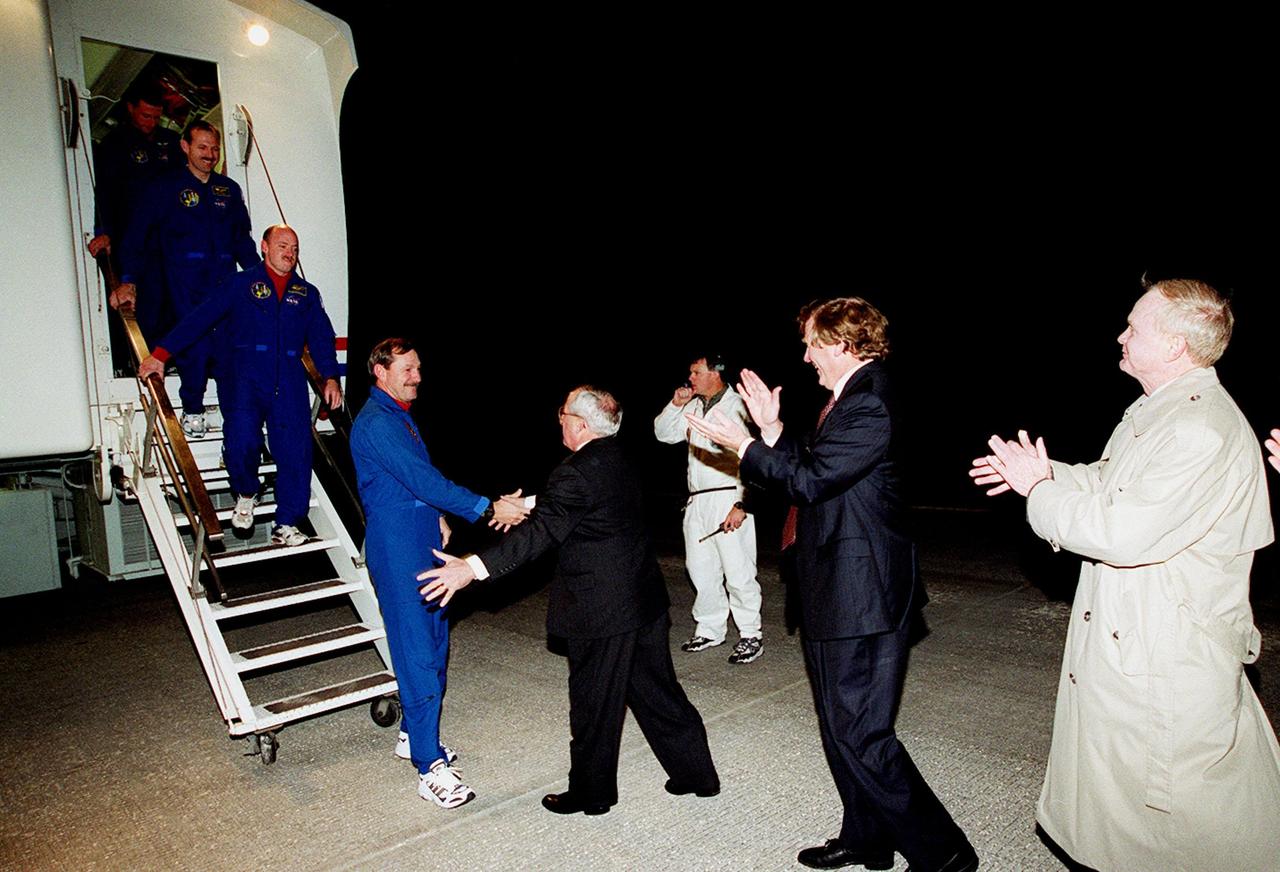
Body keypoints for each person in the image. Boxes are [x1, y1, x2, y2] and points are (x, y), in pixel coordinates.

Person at [971, 279, 1280, 872]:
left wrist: (1039, 491)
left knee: (1179, 818)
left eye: (1135, 326)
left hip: (1168, 659)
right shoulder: (1162, 412)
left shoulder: (1198, 429)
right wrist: (1045, 474)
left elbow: (1121, 532)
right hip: (1143, 643)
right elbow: (1111, 483)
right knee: (1140, 817)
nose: (1122, 334)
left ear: (1174, 348)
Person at [688, 298, 977, 872]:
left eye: (813, 344)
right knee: (841, 728)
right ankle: (867, 837)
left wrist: (743, 445)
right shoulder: (841, 400)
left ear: (844, 344)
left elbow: (813, 481)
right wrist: (771, 429)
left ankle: (943, 853)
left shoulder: (870, 400)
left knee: (864, 734)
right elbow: (814, 475)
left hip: (862, 595)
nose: (805, 355)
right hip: (832, 589)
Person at [419, 386, 720, 817]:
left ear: (578, 425)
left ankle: (592, 794)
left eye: (563, 413)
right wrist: (524, 503)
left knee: (594, 705)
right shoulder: (619, 456)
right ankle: (698, 776)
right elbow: (580, 498)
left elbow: (539, 535)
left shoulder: (575, 473)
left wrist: (470, 567)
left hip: (602, 610)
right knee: (659, 693)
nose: (558, 419)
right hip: (642, 600)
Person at [350, 338, 528, 809]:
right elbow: (421, 478)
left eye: (419, 368)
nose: (417, 376)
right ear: (380, 371)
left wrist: (439, 516)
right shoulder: (376, 424)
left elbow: (415, 480)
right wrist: (485, 506)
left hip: (423, 540)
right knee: (417, 655)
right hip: (396, 549)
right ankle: (429, 767)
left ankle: (412, 735)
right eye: (408, 368)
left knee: (435, 643)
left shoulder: (399, 418)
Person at [137, 225, 339, 547]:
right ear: (264, 247)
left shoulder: (307, 294)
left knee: (295, 453)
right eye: (283, 245)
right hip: (244, 378)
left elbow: (321, 338)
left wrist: (330, 377)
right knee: (242, 441)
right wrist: (161, 354)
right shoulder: (240, 284)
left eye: (295, 249)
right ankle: (247, 490)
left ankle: (287, 521)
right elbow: (199, 319)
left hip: (288, 381)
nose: (290, 253)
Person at [113, 119, 259, 437]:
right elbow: (136, 237)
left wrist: (259, 280)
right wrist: (127, 280)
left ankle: (236, 425)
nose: (210, 154)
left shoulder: (228, 190)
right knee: (193, 349)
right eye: (203, 147)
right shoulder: (164, 189)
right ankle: (192, 410)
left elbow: (242, 242)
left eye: (214, 148)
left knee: (229, 354)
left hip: (224, 285)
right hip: (183, 286)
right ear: (185, 147)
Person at [654, 354, 763, 663]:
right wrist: (676, 404)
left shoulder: (738, 405)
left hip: (728, 495)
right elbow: (663, 433)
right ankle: (710, 628)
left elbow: (754, 457)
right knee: (701, 569)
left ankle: (751, 634)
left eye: (696, 372)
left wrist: (742, 503)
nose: (690, 377)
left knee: (738, 570)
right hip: (697, 499)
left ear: (715, 374)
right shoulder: (692, 405)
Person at [87, 83, 183, 342]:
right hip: (131, 235)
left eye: (156, 117)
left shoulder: (172, 142)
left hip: (168, 235)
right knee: (143, 298)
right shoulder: (115, 144)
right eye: (145, 115)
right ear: (130, 109)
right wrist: (103, 231)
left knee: (174, 296)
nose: (151, 122)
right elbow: (104, 192)